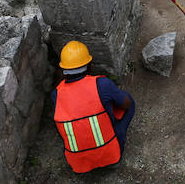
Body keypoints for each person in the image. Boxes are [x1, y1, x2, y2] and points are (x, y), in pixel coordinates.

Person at [50, 40, 136, 173]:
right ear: (89, 65)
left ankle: (85, 162)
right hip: (109, 155)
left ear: (63, 69)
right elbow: (126, 104)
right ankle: (114, 156)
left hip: (77, 163)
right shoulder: (101, 84)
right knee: (129, 101)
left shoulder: (56, 94)